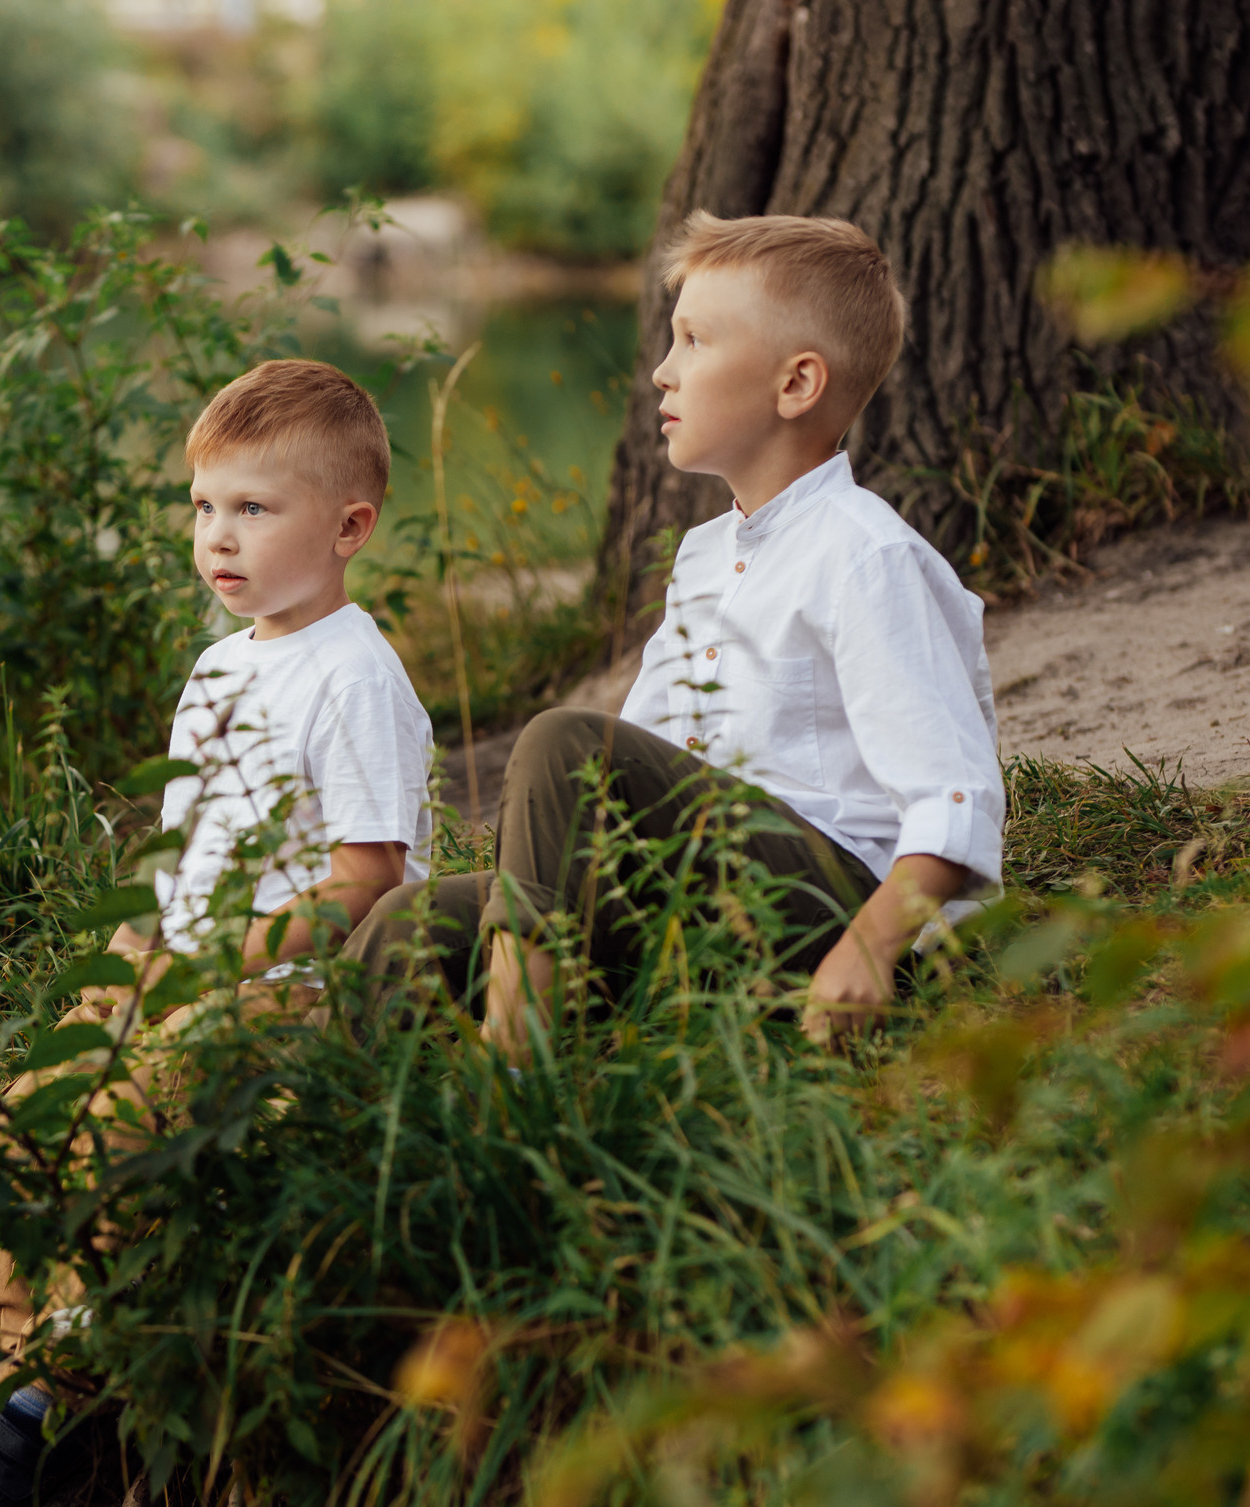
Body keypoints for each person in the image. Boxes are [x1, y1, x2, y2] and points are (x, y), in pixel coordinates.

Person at [0, 358, 435, 1507]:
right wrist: (122, 957)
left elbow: (366, 881)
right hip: (173, 976)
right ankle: (30, 1391)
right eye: (204, 508)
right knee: (17, 1134)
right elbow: (182, 857)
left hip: (279, 999)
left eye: (254, 509)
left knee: (115, 1136)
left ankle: (75, 1385)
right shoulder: (216, 668)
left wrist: (214, 967)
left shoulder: (354, 675)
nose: (219, 537)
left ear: (349, 526)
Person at [344, 212, 1003, 1053]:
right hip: (697, 897)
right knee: (416, 916)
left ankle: (516, 1064)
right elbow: (638, 762)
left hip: (835, 918)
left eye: (694, 341)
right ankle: (321, 1090)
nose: (661, 371)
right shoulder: (704, 555)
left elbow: (957, 794)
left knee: (562, 741)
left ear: (796, 385)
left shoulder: (864, 554)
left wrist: (871, 948)